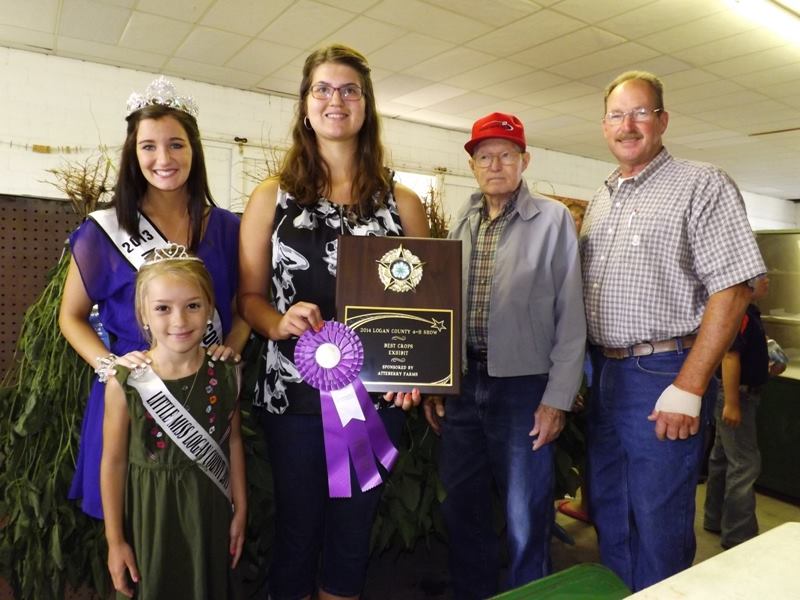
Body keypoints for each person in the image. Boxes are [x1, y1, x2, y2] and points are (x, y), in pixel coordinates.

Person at [238, 44, 429, 600]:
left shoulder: (403, 203)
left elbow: (425, 310)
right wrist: (278, 323)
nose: (335, 100)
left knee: (352, 534)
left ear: (366, 106)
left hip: (376, 397)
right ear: (305, 103)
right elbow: (248, 296)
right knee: (296, 531)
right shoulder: (270, 198)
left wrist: (417, 371)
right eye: (322, 88)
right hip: (292, 393)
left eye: (350, 90)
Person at [580, 70, 766, 591]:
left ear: (662, 120)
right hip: (603, 373)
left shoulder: (701, 183)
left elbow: (734, 289)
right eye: (617, 115)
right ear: (604, 126)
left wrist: (689, 384)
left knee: (658, 521)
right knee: (611, 512)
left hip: (662, 373)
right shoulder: (603, 197)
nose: (628, 125)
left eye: (640, 112)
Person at [59, 76, 248, 519]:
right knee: (132, 523)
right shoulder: (103, 232)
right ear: (134, 152)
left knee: (201, 520)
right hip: (132, 395)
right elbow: (71, 317)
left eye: (176, 144)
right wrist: (110, 367)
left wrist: (230, 349)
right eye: (149, 146)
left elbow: (244, 307)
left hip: (207, 391)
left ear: (194, 149)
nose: (163, 159)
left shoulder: (227, 228)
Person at [423, 112, 586, 599]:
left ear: (524, 161)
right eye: (485, 156)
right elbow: (443, 307)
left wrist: (557, 399)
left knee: (525, 515)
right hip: (465, 384)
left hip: (524, 390)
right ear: (472, 165)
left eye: (506, 155)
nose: (495, 165)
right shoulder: (463, 220)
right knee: (462, 507)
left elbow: (571, 315)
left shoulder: (553, 220)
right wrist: (437, 381)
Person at [101, 245, 246, 598]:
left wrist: (241, 508)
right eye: (163, 308)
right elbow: (113, 462)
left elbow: (233, 441)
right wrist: (115, 541)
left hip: (209, 511)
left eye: (192, 306)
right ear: (143, 314)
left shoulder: (228, 373)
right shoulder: (126, 382)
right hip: (150, 517)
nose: (179, 321)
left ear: (210, 309)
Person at [703, 275, 770, 549]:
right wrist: (732, 403)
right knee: (744, 464)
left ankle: (715, 517)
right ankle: (739, 535)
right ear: (747, 283)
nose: (767, 282)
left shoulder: (749, 311)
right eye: (762, 277)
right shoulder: (739, 312)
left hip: (736, 393)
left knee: (722, 457)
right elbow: (730, 356)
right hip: (737, 395)